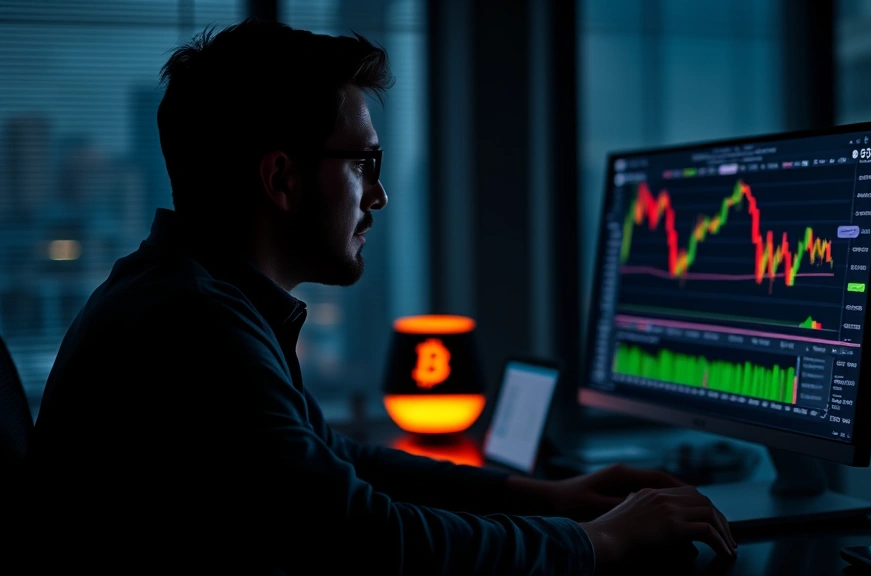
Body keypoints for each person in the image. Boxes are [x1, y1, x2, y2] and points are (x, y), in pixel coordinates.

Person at [27, 19, 735, 575]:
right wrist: (597, 546)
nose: (381, 194)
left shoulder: (198, 295)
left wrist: (542, 497)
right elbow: (363, 538)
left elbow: (335, 461)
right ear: (282, 180)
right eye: (364, 162)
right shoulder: (195, 325)